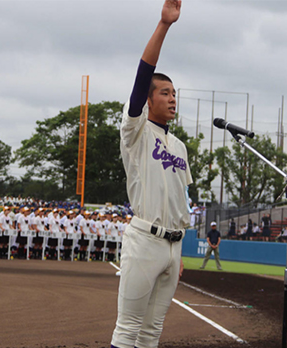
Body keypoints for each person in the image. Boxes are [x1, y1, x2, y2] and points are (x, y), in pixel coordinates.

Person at [111, 1, 190, 347]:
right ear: (148, 99)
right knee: (128, 329)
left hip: (173, 245)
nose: (172, 99)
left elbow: (178, 200)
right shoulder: (136, 133)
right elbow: (143, 75)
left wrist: (179, 252)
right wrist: (164, 25)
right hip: (145, 239)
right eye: (165, 93)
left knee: (152, 332)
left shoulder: (181, 147)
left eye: (174, 93)